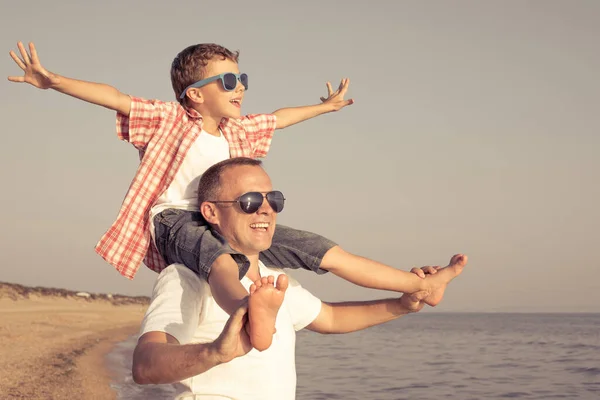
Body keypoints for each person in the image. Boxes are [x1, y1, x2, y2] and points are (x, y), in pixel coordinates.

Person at [9, 41, 461, 352]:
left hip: (233, 215)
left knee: (319, 248)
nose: (240, 87)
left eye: (241, 78)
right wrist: (54, 82)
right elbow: (116, 98)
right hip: (176, 220)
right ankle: (249, 313)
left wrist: (324, 108)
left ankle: (418, 284)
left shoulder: (238, 131)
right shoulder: (169, 119)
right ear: (194, 95)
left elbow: (279, 119)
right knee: (217, 257)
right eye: (227, 82)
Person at [131, 157, 468, 399]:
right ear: (211, 212)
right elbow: (145, 366)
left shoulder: (275, 281)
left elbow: (332, 317)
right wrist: (215, 352)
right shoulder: (185, 278)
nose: (266, 209)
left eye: (272, 199)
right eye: (249, 201)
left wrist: (402, 306)